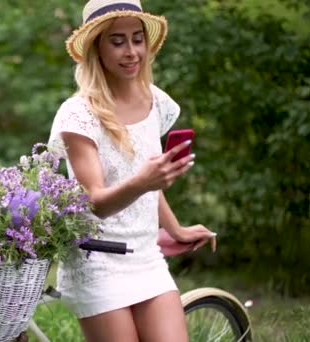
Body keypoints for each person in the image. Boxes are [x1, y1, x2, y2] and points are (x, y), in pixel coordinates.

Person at [47, 1, 216, 341]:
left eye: (137, 39)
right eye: (117, 41)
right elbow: (93, 202)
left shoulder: (155, 101)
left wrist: (175, 228)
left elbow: (151, 182)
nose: (131, 51)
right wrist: (143, 182)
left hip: (145, 254)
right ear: (97, 46)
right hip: (96, 258)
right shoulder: (78, 115)